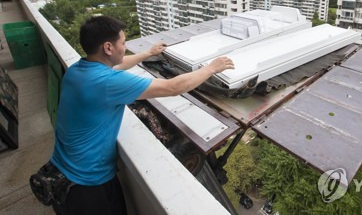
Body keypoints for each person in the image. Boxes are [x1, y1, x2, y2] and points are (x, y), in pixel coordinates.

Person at [49, 16, 234, 214]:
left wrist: (147, 53)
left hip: (63, 171)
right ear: (108, 48)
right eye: (123, 43)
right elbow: (173, 87)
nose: (125, 46)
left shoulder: (78, 69)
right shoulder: (106, 83)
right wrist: (212, 68)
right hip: (89, 187)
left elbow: (119, 64)